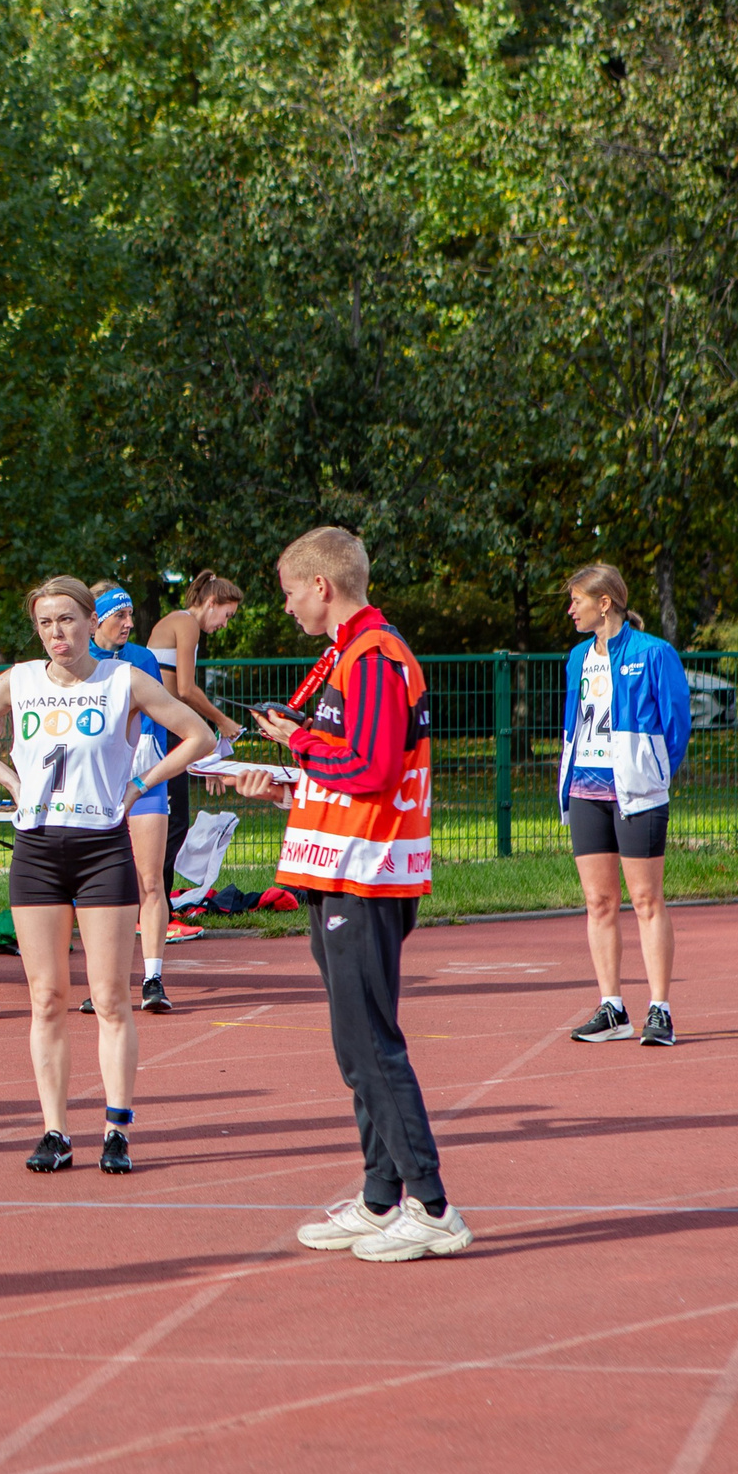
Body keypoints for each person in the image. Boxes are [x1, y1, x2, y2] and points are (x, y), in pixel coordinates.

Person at [205, 527, 469, 1262]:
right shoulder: (351, 656)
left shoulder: (375, 656)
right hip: (336, 864)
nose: (287, 606)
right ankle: (382, 1195)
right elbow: (342, 761)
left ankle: (433, 1204)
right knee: (354, 1042)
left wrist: (298, 747)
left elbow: (371, 766)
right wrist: (288, 765)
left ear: (322, 585)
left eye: (290, 591)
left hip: (367, 868)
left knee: (369, 1042)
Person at [0, 578, 211, 1175]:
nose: (57, 633)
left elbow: (201, 734)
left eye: (67, 619)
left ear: (92, 621)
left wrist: (142, 783)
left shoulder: (122, 680)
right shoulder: (20, 680)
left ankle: (117, 1130)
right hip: (37, 851)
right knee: (46, 999)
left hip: (102, 851)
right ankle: (56, 1131)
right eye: (45, 623)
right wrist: (10, 780)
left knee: (113, 998)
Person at [558, 563, 691, 1049]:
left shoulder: (654, 653)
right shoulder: (576, 658)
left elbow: (676, 724)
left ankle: (661, 1009)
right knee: (598, 903)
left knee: (646, 901)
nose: (571, 610)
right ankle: (612, 1007)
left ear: (604, 603)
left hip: (638, 793)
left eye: (577, 600)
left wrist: (653, 770)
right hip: (585, 791)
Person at [87, 581, 180, 1016]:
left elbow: (158, 711)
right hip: (97, 781)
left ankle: (153, 978)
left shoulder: (142, 659)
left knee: (149, 880)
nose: (129, 623)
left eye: (129, 615)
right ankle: (105, 981)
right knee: (100, 889)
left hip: (144, 775)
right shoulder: (80, 660)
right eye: (119, 616)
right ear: (96, 620)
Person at [145, 571, 247, 897]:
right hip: (162, 731)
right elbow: (186, 690)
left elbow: (177, 694)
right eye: (227, 615)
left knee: (169, 821)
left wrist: (205, 753)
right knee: (170, 822)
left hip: (167, 729)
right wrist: (222, 722)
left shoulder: (183, 625)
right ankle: (156, 904)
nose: (226, 624)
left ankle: (155, 902)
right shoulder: (186, 623)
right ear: (211, 602)